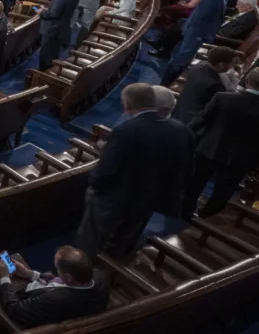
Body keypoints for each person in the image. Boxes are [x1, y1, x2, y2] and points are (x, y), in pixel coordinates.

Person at [77, 83, 194, 257]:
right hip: (149, 201)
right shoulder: (183, 131)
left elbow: (105, 172)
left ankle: (84, 276)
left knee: (92, 241)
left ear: (127, 105)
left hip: (113, 201)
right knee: (123, 241)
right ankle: (110, 271)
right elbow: (185, 169)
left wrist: (94, 186)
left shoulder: (126, 131)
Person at [183, 68, 259, 218]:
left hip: (210, 148)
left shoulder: (223, 98)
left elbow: (201, 119)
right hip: (242, 158)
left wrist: (184, 134)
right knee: (224, 190)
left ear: (247, 81)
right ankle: (207, 216)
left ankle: (185, 211)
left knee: (195, 182)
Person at [38, 0, 79, 70]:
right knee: (53, 54)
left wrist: (42, 13)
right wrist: (50, 9)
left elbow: (54, 14)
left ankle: (42, 75)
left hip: (52, 30)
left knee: (46, 56)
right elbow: (62, 10)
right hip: (62, 28)